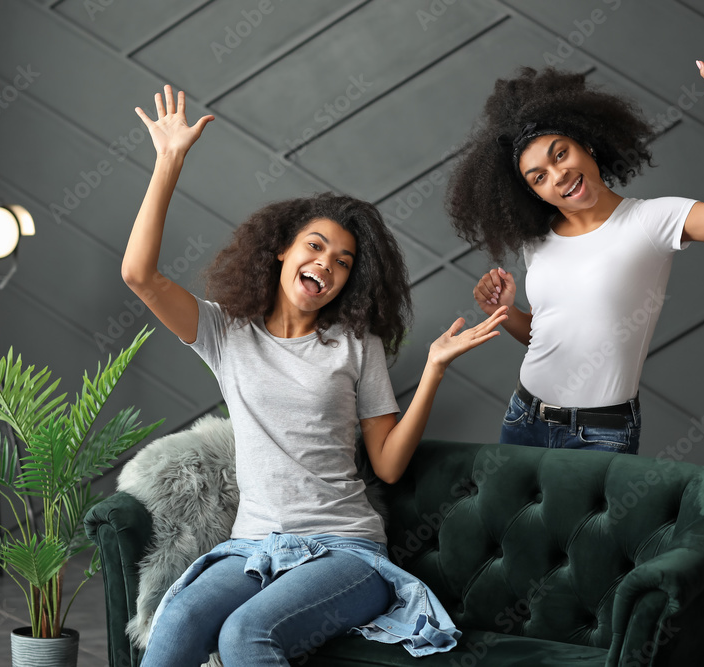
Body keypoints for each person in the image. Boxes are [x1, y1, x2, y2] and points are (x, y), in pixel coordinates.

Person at [121, 84, 508, 667]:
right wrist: (169, 160)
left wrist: (431, 370)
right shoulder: (227, 334)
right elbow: (139, 275)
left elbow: (387, 464)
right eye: (316, 246)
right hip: (252, 548)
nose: (326, 263)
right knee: (178, 616)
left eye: (343, 261)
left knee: (245, 635)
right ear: (281, 251)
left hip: (346, 552)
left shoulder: (356, 345)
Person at [446, 60, 704, 454]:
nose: (557, 175)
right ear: (534, 194)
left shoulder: (652, 220)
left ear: (586, 143)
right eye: (538, 177)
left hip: (600, 433)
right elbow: (550, 339)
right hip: (524, 416)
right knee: (507, 520)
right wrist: (507, 312)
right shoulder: (537, 242)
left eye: (560, 154)